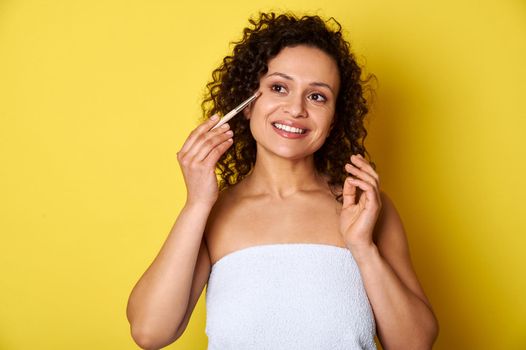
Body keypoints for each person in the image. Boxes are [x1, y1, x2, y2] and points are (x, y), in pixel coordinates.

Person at [126, 12, 439, 350]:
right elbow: (150, 332)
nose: (295, 109)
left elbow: (415, 344)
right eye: (279, 88)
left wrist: (363, 249)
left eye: (317, 96)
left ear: (334, 119)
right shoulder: (212, 214)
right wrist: (196, 204)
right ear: (247, 105)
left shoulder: (363, 206)